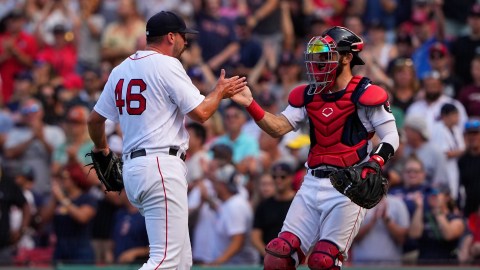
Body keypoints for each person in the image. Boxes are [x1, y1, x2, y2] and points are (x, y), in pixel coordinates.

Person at [87, 11, 246, 270]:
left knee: (182, 261)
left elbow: (94, 120)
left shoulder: (121, 69)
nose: (186, 43)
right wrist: (220, 91)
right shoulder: (166, 64)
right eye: (184, 37)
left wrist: (102, 148)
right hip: (160, 166)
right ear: (171, 37)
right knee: (166, 260)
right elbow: (202, 113)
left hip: (135, 169)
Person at [232, 26, 399, 269]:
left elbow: (391, 136)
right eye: (318, 56)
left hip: (348, 185)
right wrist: (250, 103)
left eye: (326, 56)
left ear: (347, 57)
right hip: (311, 182)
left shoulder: (365, 93)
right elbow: (277, 127)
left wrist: (375, 163)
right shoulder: (310, 93)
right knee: (278, 257)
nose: (319, 62)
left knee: (323, 261)